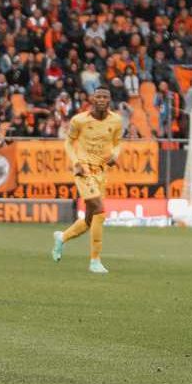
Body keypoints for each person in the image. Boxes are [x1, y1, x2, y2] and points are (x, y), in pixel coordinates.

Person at [52, 88, 122, 273]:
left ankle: (62, 237)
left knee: (91, 219)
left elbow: (117, 142)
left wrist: (115, 155)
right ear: (92, 99)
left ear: (109, 99)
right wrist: (76, 162)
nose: (101, 99)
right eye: (98, 96)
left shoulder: (116, 120)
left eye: (105, 96)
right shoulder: (79, 120)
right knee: (100, 212)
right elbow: (68, 142)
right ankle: (95, 261)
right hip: (84, 169)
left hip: (101, 172)